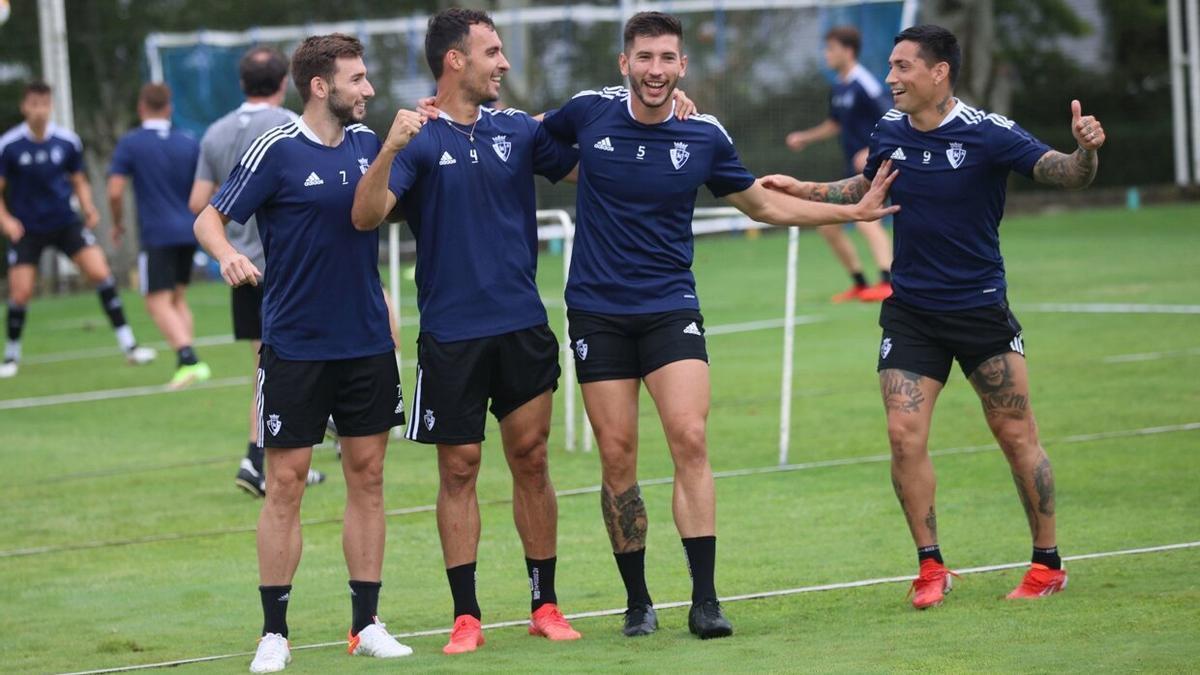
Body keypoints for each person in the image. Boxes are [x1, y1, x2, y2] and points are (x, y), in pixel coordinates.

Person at [539, 11, 898, 639]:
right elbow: (525, 137)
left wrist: (845, 211)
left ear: (683, 66)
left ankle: (704, 599)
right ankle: (637, 600)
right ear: (625, 63)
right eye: (644, 58)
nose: (656, 70)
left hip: (670, 306)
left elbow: (759, 201)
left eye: (667, 59)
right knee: (618, 456)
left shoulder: (703, 134)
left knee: (691, 438)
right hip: (596, 309)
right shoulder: (588, 112)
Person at [762, 24, 1105, 609]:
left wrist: (1086, 150)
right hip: (911, 312)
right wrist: (805, 188)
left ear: (938, 71)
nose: (891, 77)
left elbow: (1065, 174)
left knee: (1015, 433)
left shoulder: (989, 133)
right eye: (890, 66)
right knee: (902, 436)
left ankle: (1047, 564)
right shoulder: (890, 128)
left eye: (902, 67)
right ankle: (931, 566)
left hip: (979, 310)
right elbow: (867, 187)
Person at [351, 8, 589, 655]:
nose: (503, 63)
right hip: (452, 336)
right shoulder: (419, 138)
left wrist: (647, 107)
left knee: (532, 459)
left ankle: (545, 602)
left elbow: (587, 158)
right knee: (460, 468)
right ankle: (467, 615)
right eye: (492, 51)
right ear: (455, 60)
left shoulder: (517, 129)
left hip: (522, 327)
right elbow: (365, 214)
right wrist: (391, 144)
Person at [193, 33, 412, 672]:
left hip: (368, 344)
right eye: (358, 79)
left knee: (368, 479)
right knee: (284, 485)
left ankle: (366, 624)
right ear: (321, 87)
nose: (368, 89)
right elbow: (210, 218)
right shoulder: (276, 149)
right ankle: (274, 633)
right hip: (294, 347)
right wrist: (229, 254)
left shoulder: (373, 146)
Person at [187, 46, 326, 497]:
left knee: (267, 368)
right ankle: (261, 458)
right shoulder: (289, 126)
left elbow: (199, 204)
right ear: (284, 84)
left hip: (239, 265)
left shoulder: (215, 132)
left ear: (242, 84)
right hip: (288, 268)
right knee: (295, 366)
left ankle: (270, 459)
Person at [0, 81, 156, 378]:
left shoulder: (67, 141)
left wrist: (88, 207)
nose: (40, 111)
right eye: (34, 104)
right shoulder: (9, 145)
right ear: (24, 107)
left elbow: (79, 180)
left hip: (65, 222)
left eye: (44, 104)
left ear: (51, 106)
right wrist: (6, 220)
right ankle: (10, 356)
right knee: (20, 293)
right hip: (27, 228)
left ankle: (130, 346)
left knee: (101, 273)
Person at [107, 83, 210, 389]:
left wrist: (118, 222)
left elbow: (113, 191)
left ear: (141, 108)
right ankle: (192, 367)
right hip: (189, 230)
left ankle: (188, 359)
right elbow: (207, 186)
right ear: (169, 108)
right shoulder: (189, 141)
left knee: (156, 301)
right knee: (177, 299)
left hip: (157, 234)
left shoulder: (131, 143)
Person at [783, 25, 894, 302]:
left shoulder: (865, 83)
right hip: (851, 170)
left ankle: (888, 282)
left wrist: (871, 148)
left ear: (847, 51)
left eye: (831, 48)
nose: (826, 54)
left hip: (874, 168)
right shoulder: (839, 86)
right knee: (828, 225)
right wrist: (805, 138)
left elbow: (892, 118)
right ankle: (860, 283)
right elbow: (835, 124)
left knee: (866, 220)